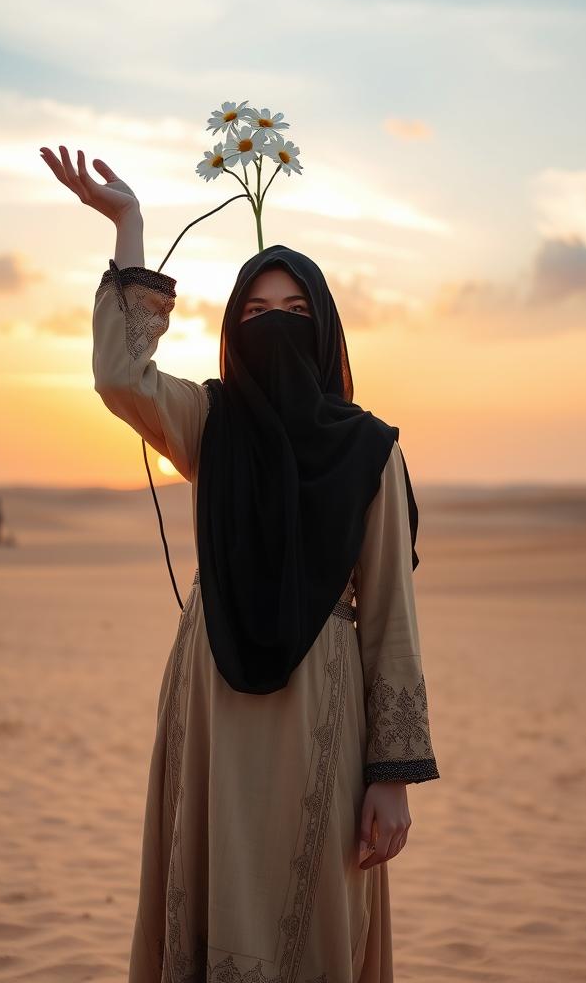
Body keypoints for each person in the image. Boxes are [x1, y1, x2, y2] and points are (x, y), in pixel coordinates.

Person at [40, 144, 440, 983]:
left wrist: (392, 776)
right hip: (210, 691)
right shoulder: (211, 424)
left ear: (324, 326)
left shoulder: (370, 451)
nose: (276, 326)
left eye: (295, 310)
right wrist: (129, 226)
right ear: (232, 331)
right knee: (206, 888)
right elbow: (120, 376)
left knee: (313, 911)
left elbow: (391, 615)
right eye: (256, 313)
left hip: (319, 704)